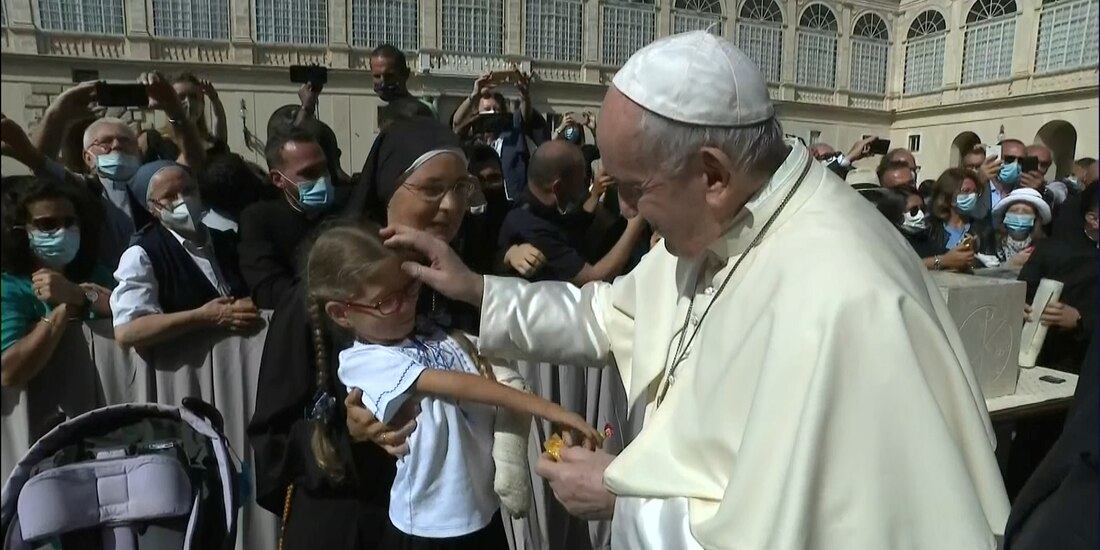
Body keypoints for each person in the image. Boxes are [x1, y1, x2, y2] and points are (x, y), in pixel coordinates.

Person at [370, 31, 1009, 549]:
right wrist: (478, 288)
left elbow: (798, 531)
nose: (621, 207)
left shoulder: (843, 295)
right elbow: (604, 315)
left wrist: (623, 499)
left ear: (711, 174)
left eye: (630, 187)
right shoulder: (720, 229)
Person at [248, 118, 479, 550]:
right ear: (389, 189)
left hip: (453, 522)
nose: (450, 206)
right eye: (432, 189)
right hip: (356, 521)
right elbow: (272, 443)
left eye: (461, 189)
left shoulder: (460, 287)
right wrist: (346, 430)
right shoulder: (320, 294)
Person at [307, 221, 598, 549]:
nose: (406, 306)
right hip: (430, 524)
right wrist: (551, 410)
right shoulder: (365, 361)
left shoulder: (435, 335)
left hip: (480, 509)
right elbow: (462, 385)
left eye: (410, 289)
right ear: (341, 314)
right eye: (386, 301)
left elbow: (492, 363)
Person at [111, 161, 258, 348]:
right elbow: (127, 330)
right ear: (153, 208)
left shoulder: (227, 241)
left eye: (188, 190)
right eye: (170, 196)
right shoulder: (143, 255)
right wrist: (202, 317)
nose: (183, 200)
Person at [1, 177, 114, 386]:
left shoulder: (96, 274)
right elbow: (8, 371)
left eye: (70, 222)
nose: (62, 230)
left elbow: (131, 313)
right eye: (47, 224)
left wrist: (79, 294)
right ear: (20, 230)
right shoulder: (9, 288)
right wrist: (64, 310)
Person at [496, 140, 645, 284]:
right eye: (581, 182)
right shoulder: (532, 231)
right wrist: (638, 220)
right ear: (558, 188)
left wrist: (595, 193)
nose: (583, 188)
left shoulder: (535, 205)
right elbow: (593, 279)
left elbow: (573, 223)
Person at [238, 130, 342, 309]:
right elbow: (268, 290)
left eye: (324, 168)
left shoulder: (345, 207)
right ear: (278, 179)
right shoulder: (260, 219)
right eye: (309, 173)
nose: (322, 179)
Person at [1017, 182, 1098, 374]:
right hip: (1052, 361)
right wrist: (1019, 306)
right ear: (1093, 219)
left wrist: (1081, 320)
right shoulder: (1052, 251)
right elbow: (1022, 292)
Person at [140, 73, 229, 163]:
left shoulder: (213, 145)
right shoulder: (155, 142)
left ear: (202, 103)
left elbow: (220, 125)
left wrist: (214, 98)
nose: (188, 102)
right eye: (180, 97)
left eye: (194, 97)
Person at [923, 168, 996, 271]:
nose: (972, 196)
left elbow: (993, 265)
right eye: (966, 191)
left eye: (975, 192)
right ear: (948, 195)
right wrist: (943, 261)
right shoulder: (928, 227)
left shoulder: (984, 230)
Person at [991, 188, 1050, 268]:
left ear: (1035, 218)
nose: (1019, 215)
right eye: (1014, 211)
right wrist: (1010, 265)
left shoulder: (1043, 247)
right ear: (1005, 215)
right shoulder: (990, 241)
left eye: (1026, 212)